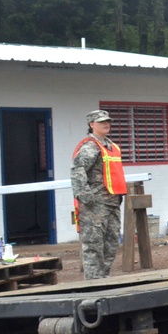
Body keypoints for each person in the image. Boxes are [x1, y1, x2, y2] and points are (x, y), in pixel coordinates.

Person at [71, 110, 126, 279]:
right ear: (91, 125)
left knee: (111, 244)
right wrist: (87, 197)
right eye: (101, 121)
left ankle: (103, 278)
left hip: (112, 203)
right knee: (93, 245)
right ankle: (94, 283)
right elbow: (77, 171)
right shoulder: (90, 146)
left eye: (108, 121)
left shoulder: (112, 146)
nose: (106, 124)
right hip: (95, 204)